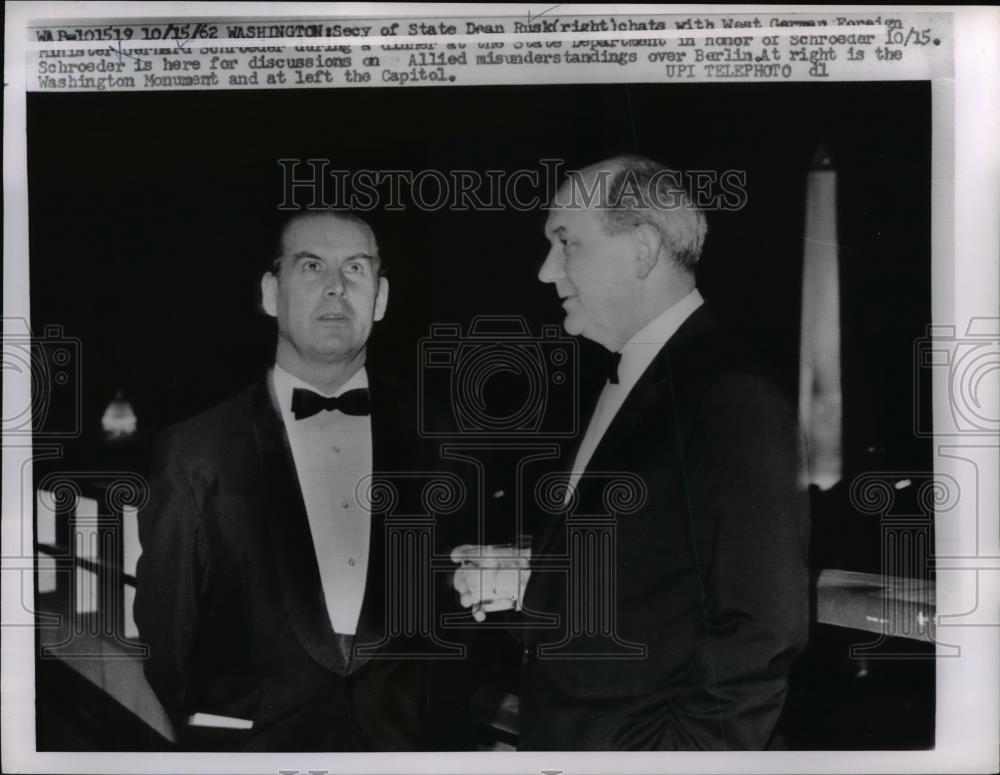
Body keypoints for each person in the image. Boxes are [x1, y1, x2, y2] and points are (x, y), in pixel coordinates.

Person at [452, 156, 809, 750]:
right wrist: (534, 575)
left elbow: (762, 628)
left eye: (566, 242)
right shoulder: (634, 380)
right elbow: (656, 579)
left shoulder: (732, 396)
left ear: (641, 249)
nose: (546, 272)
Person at [135, 211, 431, 751]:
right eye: (312, 266)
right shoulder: (195, 449)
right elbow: (167, 639)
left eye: (356, 269)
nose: (337, 286)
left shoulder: (443, 440)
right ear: (272, 293)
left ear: (381, 298)